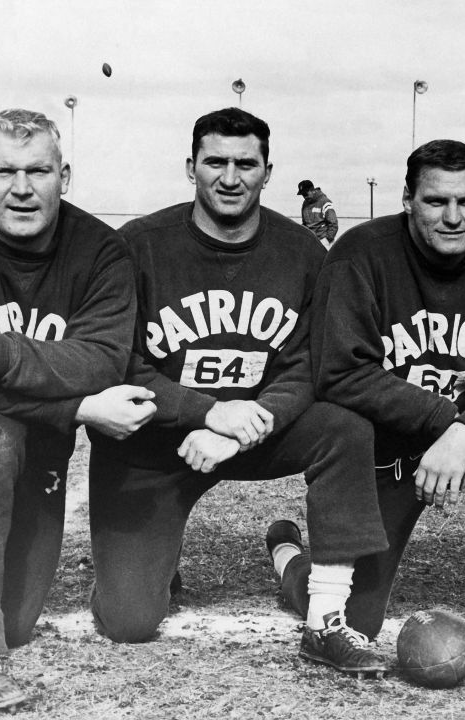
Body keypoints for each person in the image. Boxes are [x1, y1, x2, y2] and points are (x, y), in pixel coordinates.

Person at [78, 108, 391, 677]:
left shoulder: (303, 253)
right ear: (190, 167)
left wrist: (251, 423)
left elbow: (309, 364)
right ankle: (154, 559)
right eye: (215, 162)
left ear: (268, 171)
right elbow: (116, 359)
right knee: (128, 621)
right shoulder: (136, 246)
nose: (230, 177)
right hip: (154, 440)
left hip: (252, 430)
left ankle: (319, 608)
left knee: (346, 427)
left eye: (245, 163)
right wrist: (205, 411)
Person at [266, 139, 465, 685]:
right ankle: (289, 553)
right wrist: (450, 424)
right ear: (408, 198)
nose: (453, 217)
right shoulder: (360, 254)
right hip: (390, 451)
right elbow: (340, 373)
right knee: (359, 616)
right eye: (436, 201)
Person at [0, 109, 138, 712]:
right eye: (3, 171)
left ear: (65, 174)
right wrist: (75, 408)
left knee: (18, 621)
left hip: (36, 450)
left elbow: (104, 359)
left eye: (38, 170)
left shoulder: (101, 249)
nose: (21, 188)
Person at [297, 179, 338, 248]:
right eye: (303, 195)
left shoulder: (325, 202)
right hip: (310, 241)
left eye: (305, 194)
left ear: (312, 190)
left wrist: (327, 240)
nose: (304, 197)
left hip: (324, 242)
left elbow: (333, 224)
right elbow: (305, 224)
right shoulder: (305, 204)